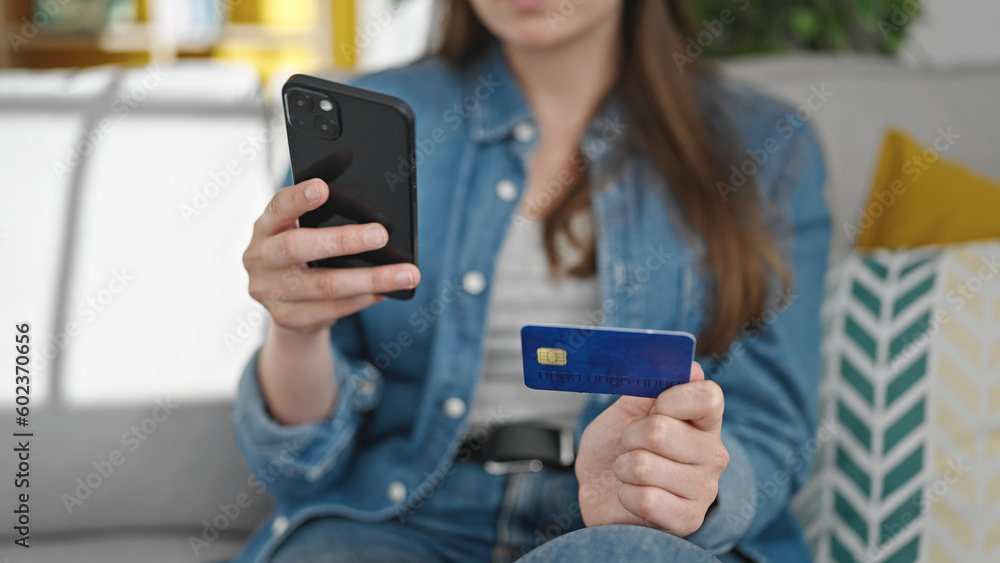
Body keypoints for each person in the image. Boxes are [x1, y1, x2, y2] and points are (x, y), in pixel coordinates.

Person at [232, 0, 831, 559]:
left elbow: (774, 431)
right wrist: (295, 332)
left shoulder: (766, 146)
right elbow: (295, 468)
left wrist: (685, 486)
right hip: (403, 520)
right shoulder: (369, 122)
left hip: (626, 525)